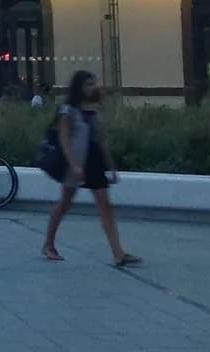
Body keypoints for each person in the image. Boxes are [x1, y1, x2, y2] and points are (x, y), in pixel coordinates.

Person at [41, 71, 140, 266]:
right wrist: (73, 164)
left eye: (93, 84)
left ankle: (118, 253)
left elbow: (101, 139)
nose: (92, 87)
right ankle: (49, 243)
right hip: (75, 163)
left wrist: (111, 166)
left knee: (106, 206)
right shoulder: (68, 110)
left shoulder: (94, 110)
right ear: (79, 87)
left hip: (94, 161)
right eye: (88, 84)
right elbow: (64, 139)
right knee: (65, 204)